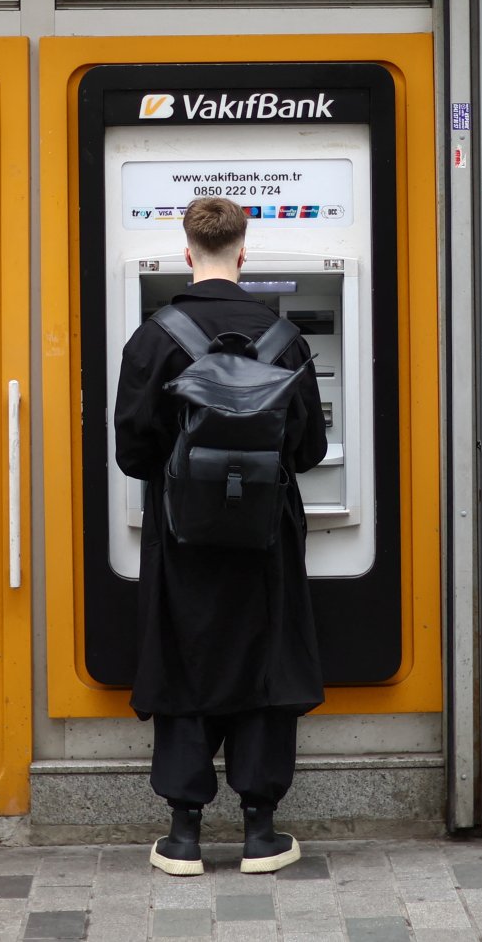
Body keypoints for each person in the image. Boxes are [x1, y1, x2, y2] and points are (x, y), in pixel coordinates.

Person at [114, 196, 327, 877]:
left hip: (182, 538)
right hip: (265, 538)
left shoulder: (153, 337)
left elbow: (131, 451)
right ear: (243, 253)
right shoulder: (283, 338)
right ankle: (262, 832)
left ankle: (182, 835)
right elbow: (311, 448)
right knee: (264, 659)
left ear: (186, 253)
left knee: (182, 656)